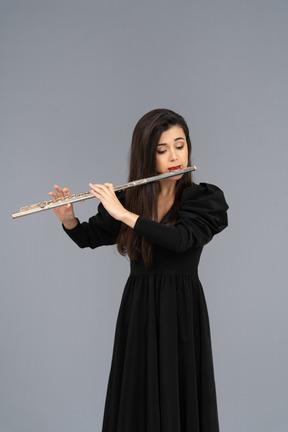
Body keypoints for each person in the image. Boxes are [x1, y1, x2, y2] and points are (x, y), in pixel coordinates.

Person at [49, 108, 228, 432]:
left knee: (181, 394)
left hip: (181, 309)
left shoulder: (203, 198)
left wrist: (124, 214)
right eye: (162, 150)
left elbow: (180, 240)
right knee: (136, 396)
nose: (174, 156)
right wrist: (69, 219)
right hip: (139, 308)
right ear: (147, 156)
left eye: (180, 145)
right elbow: (88, 237)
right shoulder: (130, 198)